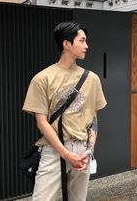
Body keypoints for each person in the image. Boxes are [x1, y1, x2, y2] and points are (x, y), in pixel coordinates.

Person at [22, 21, 107, 201]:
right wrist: (66, 154)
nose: (87, 46)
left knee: (78, 199)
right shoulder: (42, 79)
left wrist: (89, 151)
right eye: (82, 41)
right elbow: (42, 122)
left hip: (82, 149)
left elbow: (93, 119)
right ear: (66, 44)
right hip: (54, 149)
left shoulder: (92, 79)